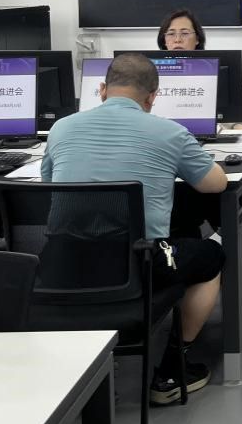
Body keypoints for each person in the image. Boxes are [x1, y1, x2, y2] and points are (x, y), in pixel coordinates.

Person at [41, 53, 228, 405]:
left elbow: (49, 185)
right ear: (152, 97)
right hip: (137, 265)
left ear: (102, 90)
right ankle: (172, 370)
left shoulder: (61, 128)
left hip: (62, 264)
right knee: (211, 255)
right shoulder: (170, 132)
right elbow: (214, 184)